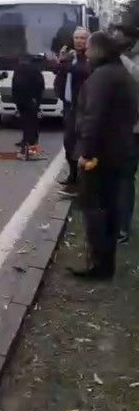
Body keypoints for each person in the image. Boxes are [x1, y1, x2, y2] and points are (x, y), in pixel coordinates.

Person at [71, 31, 139, 280]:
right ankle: (104, 265)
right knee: (109, 209)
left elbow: (93, 119)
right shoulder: (121, 73)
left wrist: (85, 153)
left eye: (87, 49)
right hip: (119, 150)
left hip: (100, 155)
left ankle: (98, 267)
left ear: (97, 49)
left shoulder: (102, 77)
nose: (85, 53)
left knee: (95, 210)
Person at [55, 27, 92, 195]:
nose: (79, 41)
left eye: (82, 38)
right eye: (76, 38)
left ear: (88, 40)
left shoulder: (89, 59)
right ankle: (72, 176)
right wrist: (62, 62)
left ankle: (81, 183)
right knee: (68, 143)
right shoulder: (71, 57)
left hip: (83, 108)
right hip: (69, 106)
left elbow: (83, 73)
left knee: (81, 145)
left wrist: (66, 63)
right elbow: (60, 74)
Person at [112, 25, 139, 243]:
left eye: (116, 37)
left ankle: (122, 229)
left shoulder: (130, 63)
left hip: (132, 130)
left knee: (123, 178)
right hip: (123, 129)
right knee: (120, 177)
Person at [12, 53, 47, 159]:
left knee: (28, 126)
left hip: (24, 101)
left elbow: (15, 85)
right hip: (31, 101)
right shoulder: (34, 70)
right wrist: (37, 99)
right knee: (31, 125)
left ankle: (29, 151)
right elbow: (41, 85)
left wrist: (16, 100)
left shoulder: (19, 70)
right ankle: (30, 147)